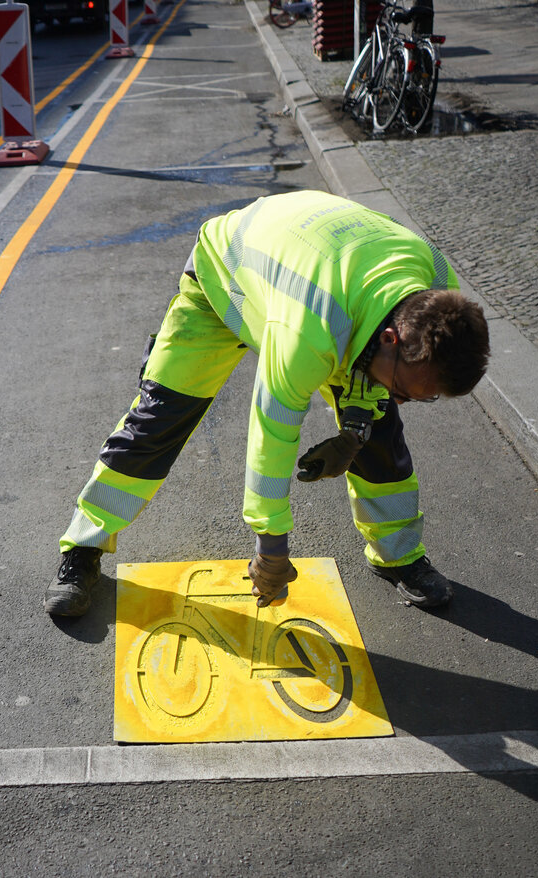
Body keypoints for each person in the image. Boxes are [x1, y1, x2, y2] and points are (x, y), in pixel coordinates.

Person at [44, 191, 490, 618]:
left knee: (381, 433)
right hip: (227, 279)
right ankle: (82, 548)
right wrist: (271, 548)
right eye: (406, 390)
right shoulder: (308, 333)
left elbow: (375, 362)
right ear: (393, 340)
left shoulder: (436, 287)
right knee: (159, 420)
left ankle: (399, 556)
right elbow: (271, 436)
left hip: (329, 281)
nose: (406, 400)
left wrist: (356, 432)